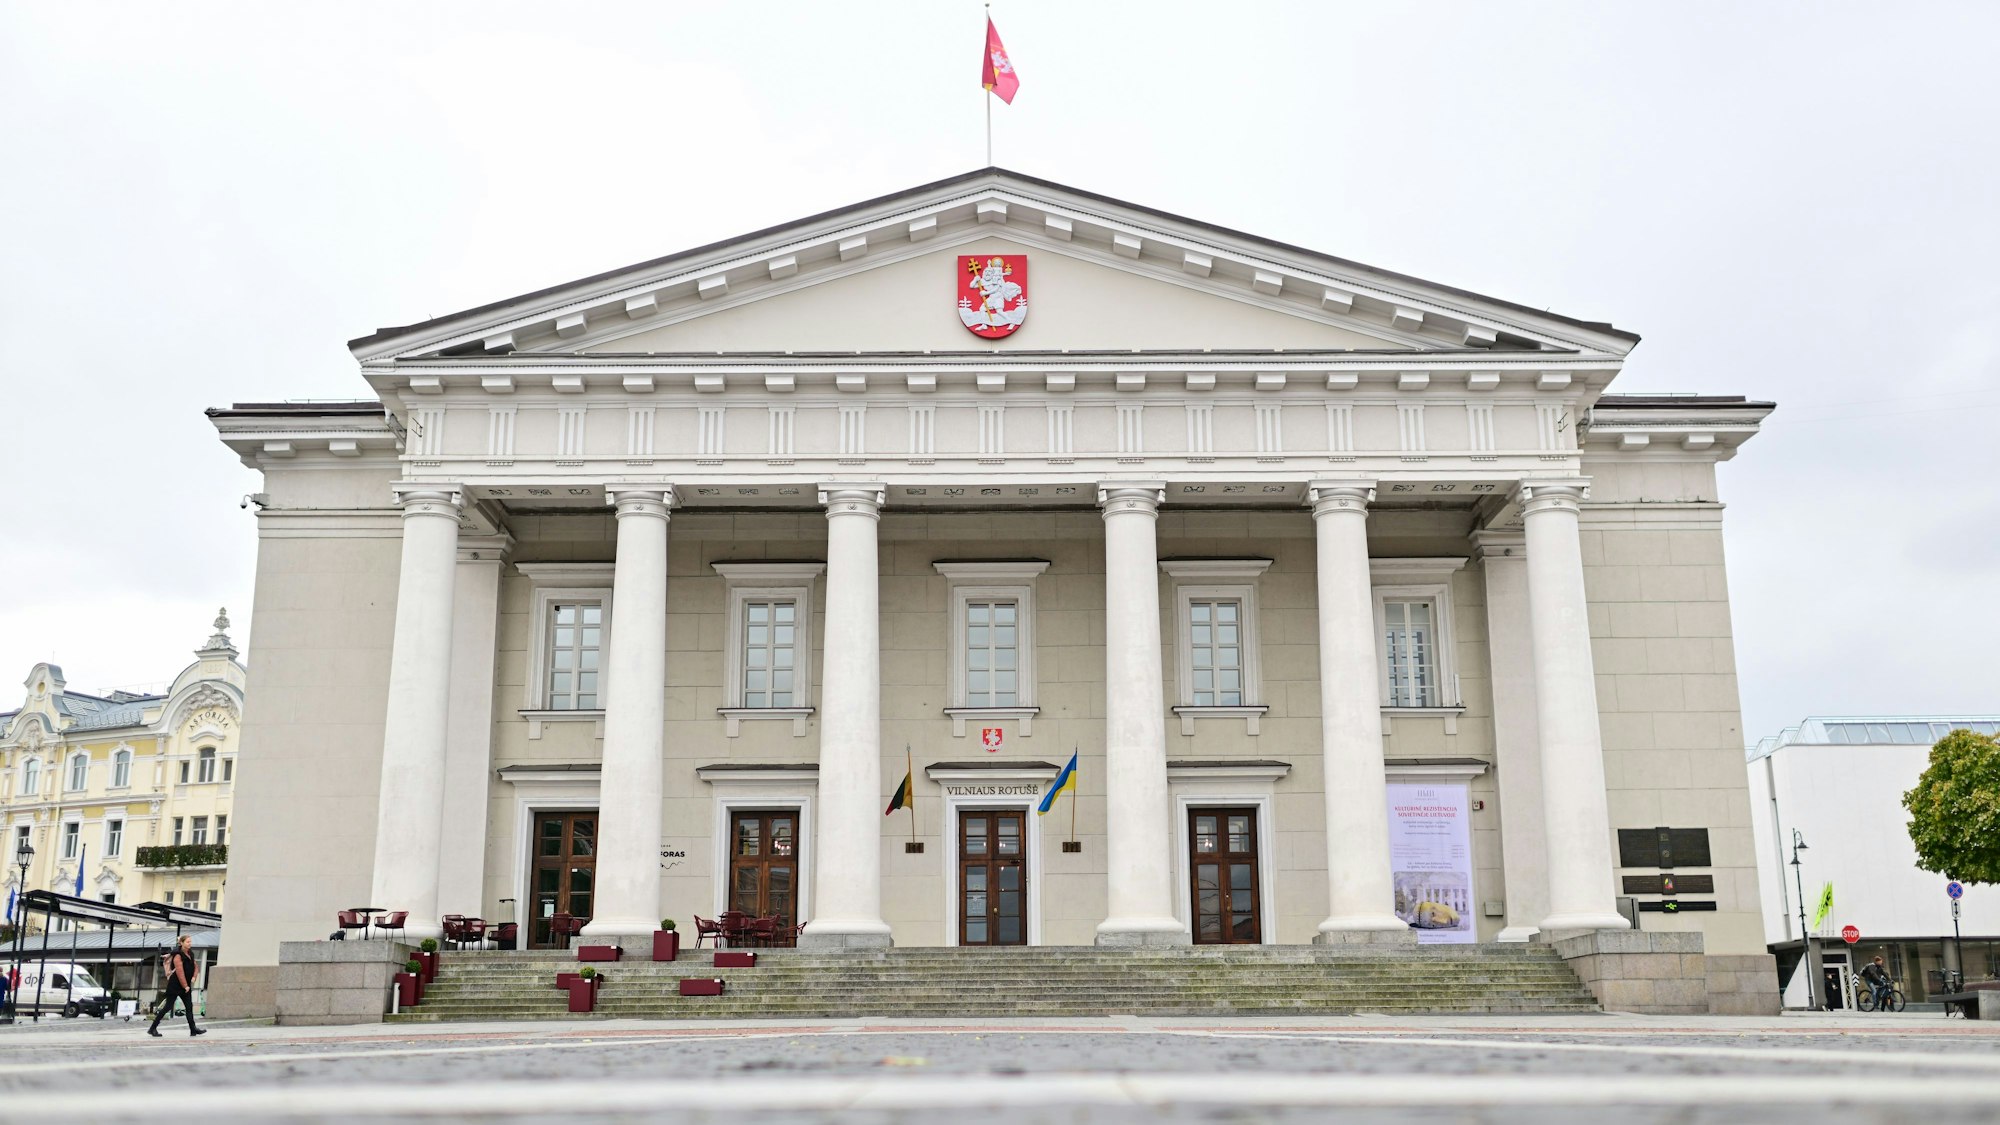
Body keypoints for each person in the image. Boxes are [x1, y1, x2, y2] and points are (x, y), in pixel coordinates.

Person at [147, 935, 204, 1037]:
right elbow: (179, 972)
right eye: (187, 942)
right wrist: (186, 986)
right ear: (181, 943)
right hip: (175, 986)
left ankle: (193, 1029)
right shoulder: (178, 956)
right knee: (167, 1007)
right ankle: (152, 1028)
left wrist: (194, 977)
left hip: (185, 986)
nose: (190, 943)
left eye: (190, 942)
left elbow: (196, 967)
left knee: (189, 1007)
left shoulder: (190, 954)